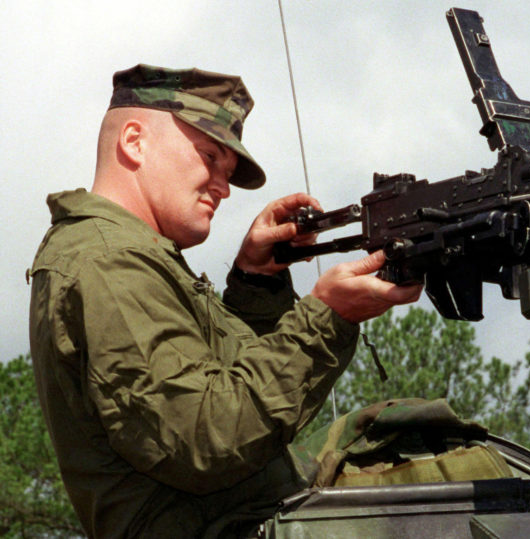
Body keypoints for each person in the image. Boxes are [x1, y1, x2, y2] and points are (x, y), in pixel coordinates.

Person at [28, 64, 421, 538]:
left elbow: (226, 388)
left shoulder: (134, 254)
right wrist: (327, 318)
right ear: (133, 141)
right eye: (209, 156)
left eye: (228, 171)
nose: (223, 186)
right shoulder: (106, 261)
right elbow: (206, 436)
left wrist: (256, 281)